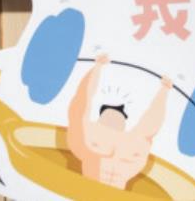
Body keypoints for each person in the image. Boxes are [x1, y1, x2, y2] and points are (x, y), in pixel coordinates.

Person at [66, 54, 173, 190]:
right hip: (90, 188)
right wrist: (97, 68)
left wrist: (164, 91)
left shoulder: (133, 141)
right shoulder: (89, 132)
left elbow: (151, 123)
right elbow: (81, 101)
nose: (116, 112)